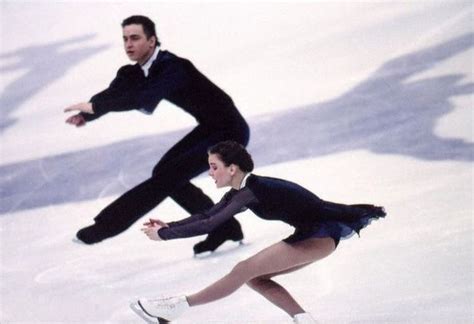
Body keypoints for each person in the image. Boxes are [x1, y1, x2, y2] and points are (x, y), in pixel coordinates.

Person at [134, 140, 386, 324]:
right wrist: (168, 226)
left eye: (213, 167)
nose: (210, 173)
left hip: (320, 234)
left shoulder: (251, 191)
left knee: (244, 270)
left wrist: (164, 236)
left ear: (232, 169)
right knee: (255, 277)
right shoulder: (244, 191)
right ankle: (303, 319)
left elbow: (209, 225)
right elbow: (207, 216)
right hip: (316, 235)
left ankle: (176, 306)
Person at [64, 15, 249, 254]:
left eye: (135, 38)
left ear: (151, 41)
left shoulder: (172, 67)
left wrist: (97, 108)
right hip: (210, 128)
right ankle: (225, 226)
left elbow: (145, 100)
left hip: (230, 131)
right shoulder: (136, 72)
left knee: (166, 178)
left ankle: (105, 227)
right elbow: (115, 92)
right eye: (125, 39)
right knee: (166, 175)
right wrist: (88, 114)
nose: (129, 44)